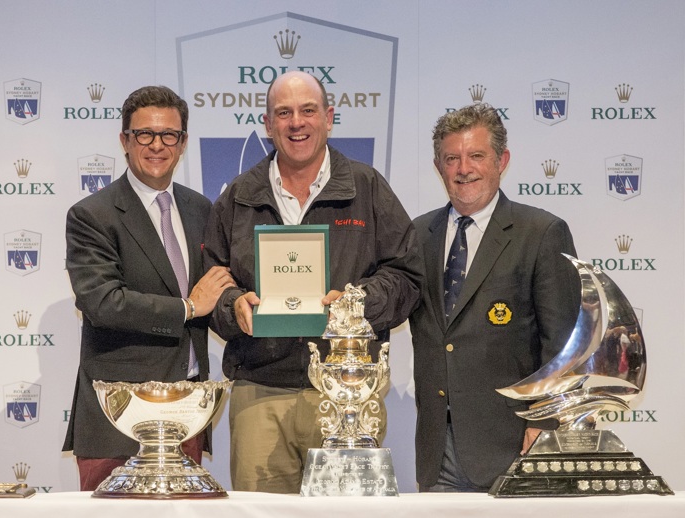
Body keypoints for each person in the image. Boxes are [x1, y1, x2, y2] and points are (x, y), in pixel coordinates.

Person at [203, 71, 420, 493]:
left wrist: (356, 303)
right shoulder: (237, 196)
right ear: (267, 124)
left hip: (348, 393)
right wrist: (234, 305)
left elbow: (407, 276)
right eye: (283, 113)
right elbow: (213, 282)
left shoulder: (367, 187)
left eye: (308, 110)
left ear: (329, 118)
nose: (296, 122)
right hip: (260, 393)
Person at [63, 85, 235, 491]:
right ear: (125, 140)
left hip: (186, 419)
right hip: (119, 422)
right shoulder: (92, 215)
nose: (157, 145)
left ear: (183, 143)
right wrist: (188, 308)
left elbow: (218, 290)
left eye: (168, 135)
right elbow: (102, 302)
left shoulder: (201, 209)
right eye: (144, 134)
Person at [409, 103, 581, 492]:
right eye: (451, 158)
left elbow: (564, 344)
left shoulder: (541, 232)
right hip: (438, 452)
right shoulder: (419, 234)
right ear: (439, 167)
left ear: (501, 161)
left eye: (476, 156)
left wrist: (545, 424)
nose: (463, 169)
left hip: (516, 446)